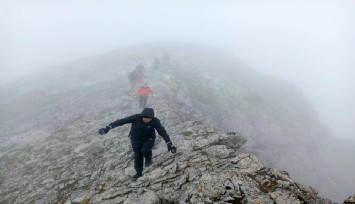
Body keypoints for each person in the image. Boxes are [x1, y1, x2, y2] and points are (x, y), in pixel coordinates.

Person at [98, 108, 176, 179]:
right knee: (138, 155)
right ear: (142, 116)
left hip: (149, 138)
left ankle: (148, 161)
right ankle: (139, 172)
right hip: (135, 139)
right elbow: (122, 121)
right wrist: (108, 127)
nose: (147, 120)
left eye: (149, 119)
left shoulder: (155, 121)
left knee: (145, 150)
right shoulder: (135, 118)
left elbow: (162, 132)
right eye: (145, 118)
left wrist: (169, 143)